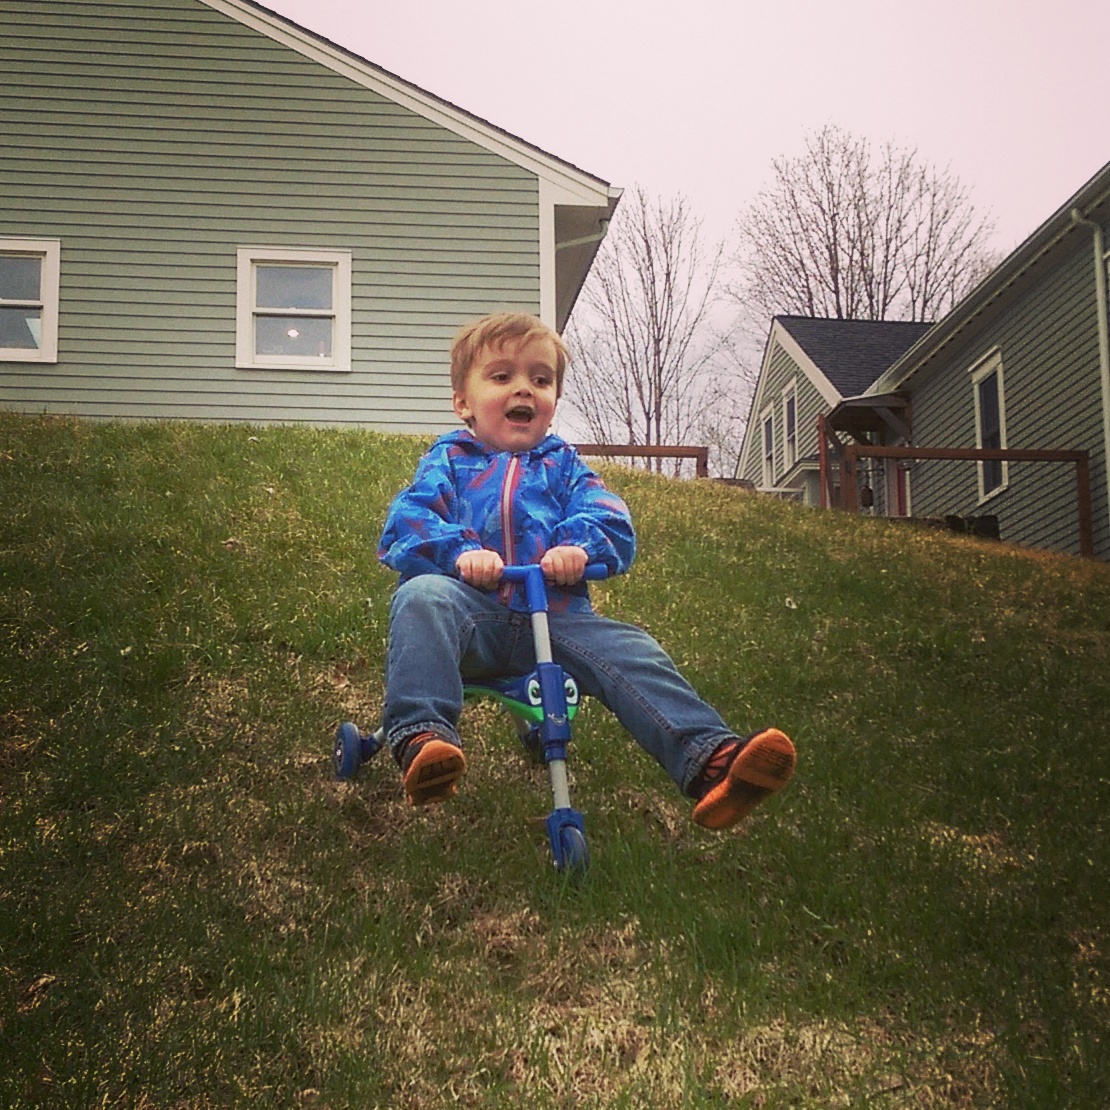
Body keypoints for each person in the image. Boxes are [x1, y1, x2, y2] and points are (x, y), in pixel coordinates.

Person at [377, 312, 795, 829]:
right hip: (471, 620)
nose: (524, 389)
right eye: (502, 376)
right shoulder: (448, 461)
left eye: (540, 379)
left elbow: (610, 518)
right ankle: (423, 737)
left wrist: (578, 545)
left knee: (633, 648)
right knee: (422, 597)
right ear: (463, 402)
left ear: (554, 401)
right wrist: (460, 553)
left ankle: (711, 760)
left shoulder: (565, 466)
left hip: (556, 621)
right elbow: (408, 522)